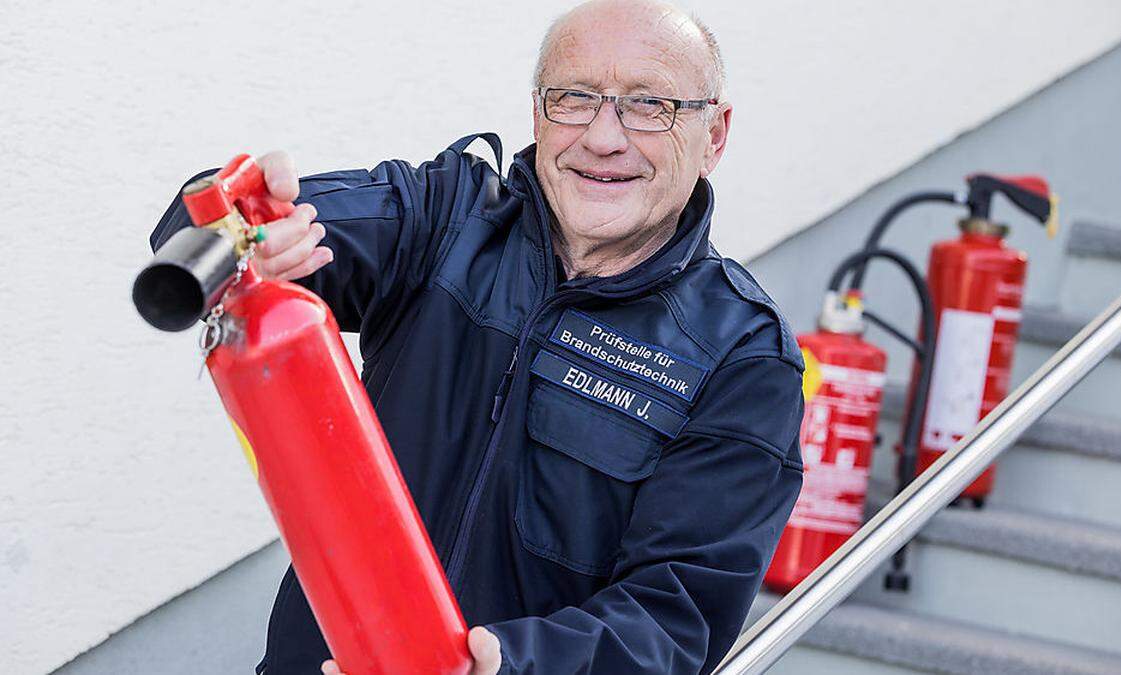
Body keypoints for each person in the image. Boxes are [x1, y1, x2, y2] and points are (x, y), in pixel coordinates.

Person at [151, 0, 804, 672]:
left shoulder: (742, 356)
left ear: (715, 135)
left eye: (649, 105)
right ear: (537, 114)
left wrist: (502, 664)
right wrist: (244, 226)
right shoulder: (443, 221)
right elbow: (207, 235)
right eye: (574, 98)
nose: (604, 137)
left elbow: (673, 618)